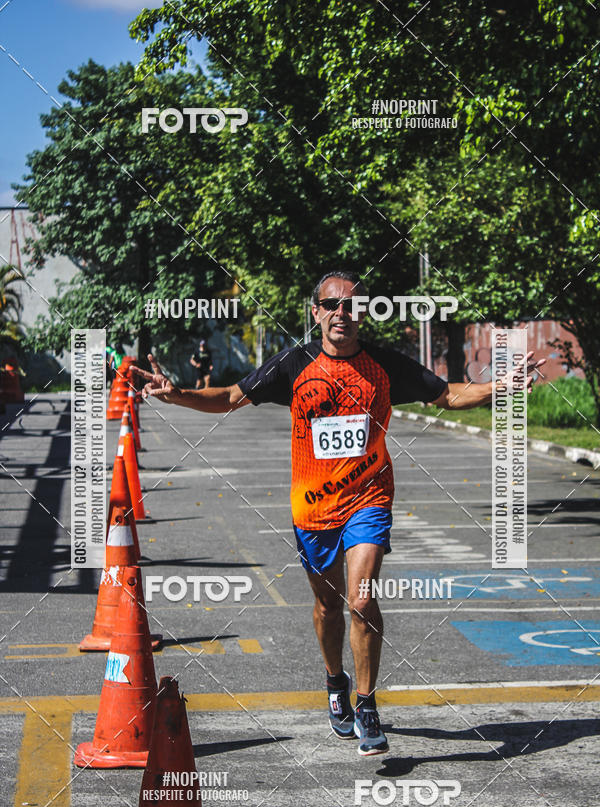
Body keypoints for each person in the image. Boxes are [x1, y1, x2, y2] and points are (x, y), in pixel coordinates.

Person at [132, 270, 546, 756]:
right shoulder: (293, 364)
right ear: (317, 313)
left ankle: (367, 705)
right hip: (311, 509)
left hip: (368, 499)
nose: (340, 313)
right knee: (328, 606)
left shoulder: (385, 366)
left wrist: (502, 386)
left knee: (362, 598)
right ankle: (335, 682)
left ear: (363, 312)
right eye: (331, 305)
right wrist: (176, 393)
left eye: (350, 305)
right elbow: (228, 398)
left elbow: (449, 394)